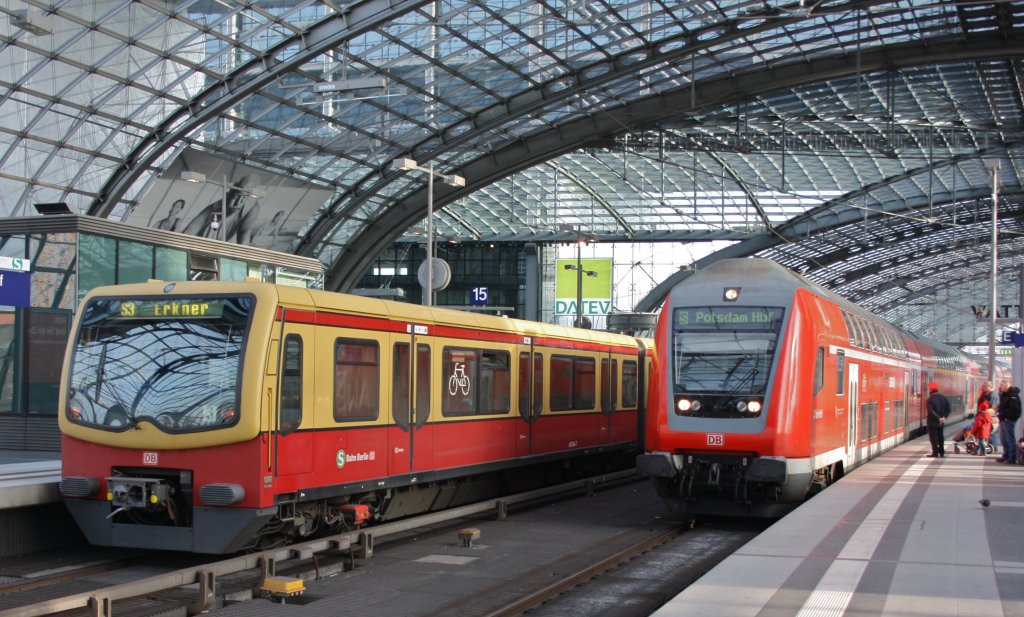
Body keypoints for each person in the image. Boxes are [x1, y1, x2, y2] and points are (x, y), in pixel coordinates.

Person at [181, 175, 261, 243]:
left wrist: (245, 256)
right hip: (202, 242)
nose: (239, 201)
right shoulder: (218, 205)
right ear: (232, 192)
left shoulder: (252, 208)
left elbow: (244, 233)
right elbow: (193, 227)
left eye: (245, 196)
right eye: (237, 195)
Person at [997, 380, 1022, 464]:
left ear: (1007, 385)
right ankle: (1006, 456)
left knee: (1009, 439)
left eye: (1002, 385)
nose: (1001, 386)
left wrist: (1008, 417)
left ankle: (1011, 457)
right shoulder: (1005, 395)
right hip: (1004, 419)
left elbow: (1014, 409)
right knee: (1004, 439)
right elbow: (1003, 407)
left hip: (1009, 420)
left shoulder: (1012, 395)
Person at [926, 381, 951, 458]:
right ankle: (942, 452)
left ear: (930, 390)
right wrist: (944, 417)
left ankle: (935, 453)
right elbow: (948, 409)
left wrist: (938, 418)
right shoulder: (944, 398)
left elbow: (931, 412)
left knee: (933, 438)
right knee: (941, 437)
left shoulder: (929, 399)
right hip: (941, 422)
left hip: (932, 422)